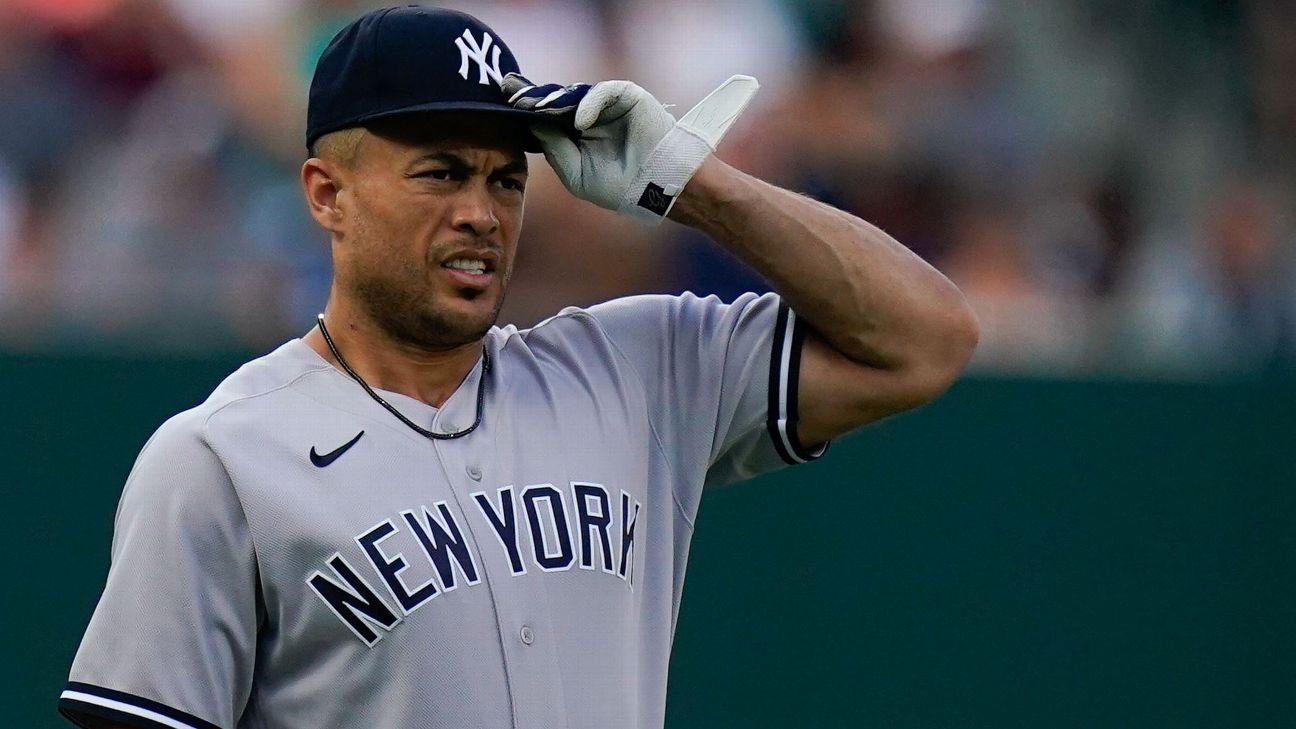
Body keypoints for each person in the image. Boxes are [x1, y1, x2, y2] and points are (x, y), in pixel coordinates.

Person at [58, 6, 978, 729]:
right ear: (327, 194)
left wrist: (689, 179)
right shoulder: (219, 459)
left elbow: (927, 339)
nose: (481, 211)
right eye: (439, 172)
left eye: (505, 178)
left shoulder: (633, 372)